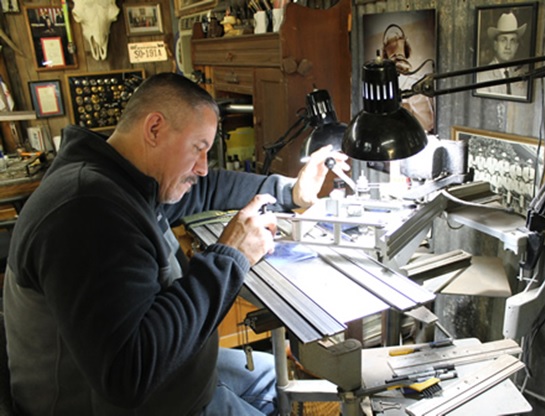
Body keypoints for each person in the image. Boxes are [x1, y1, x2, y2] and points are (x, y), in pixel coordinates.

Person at [2, 72, 349, 415]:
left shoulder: (123, 181)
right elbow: (129, 374)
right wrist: (230, 257)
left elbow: (207, 187)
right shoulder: (88, 212)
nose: (202, 167)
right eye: (198, 149)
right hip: (140, 398)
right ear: (155, 129)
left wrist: (289, 192)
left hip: (181, 372)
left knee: (278, 377)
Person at [382, 23, 436, 133]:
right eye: (393, 56)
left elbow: (427, 124)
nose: (397, 57)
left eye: (399, 56)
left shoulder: (416, 84)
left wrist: (404, 107)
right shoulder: (382, 86)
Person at [476, 11, 529, 98]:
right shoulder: (482, 77)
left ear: (517, 46)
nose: (508, 46)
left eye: (512, 41)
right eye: (503, 40)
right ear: (495, 45)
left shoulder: (520, 76)